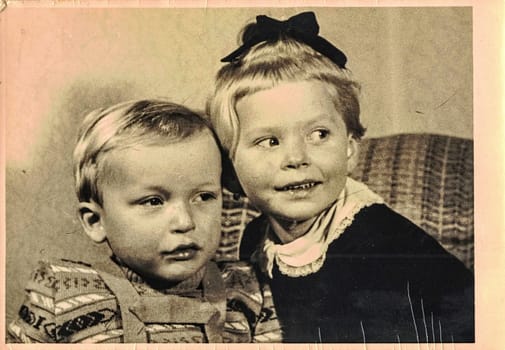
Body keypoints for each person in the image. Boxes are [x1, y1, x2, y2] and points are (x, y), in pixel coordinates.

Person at [207, 12, 474, 343]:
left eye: (319, 134)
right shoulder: (255, 239)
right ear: (231, 165)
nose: (296, 158)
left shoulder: (382, 246)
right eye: (270, 141)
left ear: (350, 148)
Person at [7, 99, 281, 343]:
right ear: (95, 221)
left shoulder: (246, 288)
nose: (185, 222)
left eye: (203, 197)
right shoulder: (60, 291)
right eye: (154, 202)